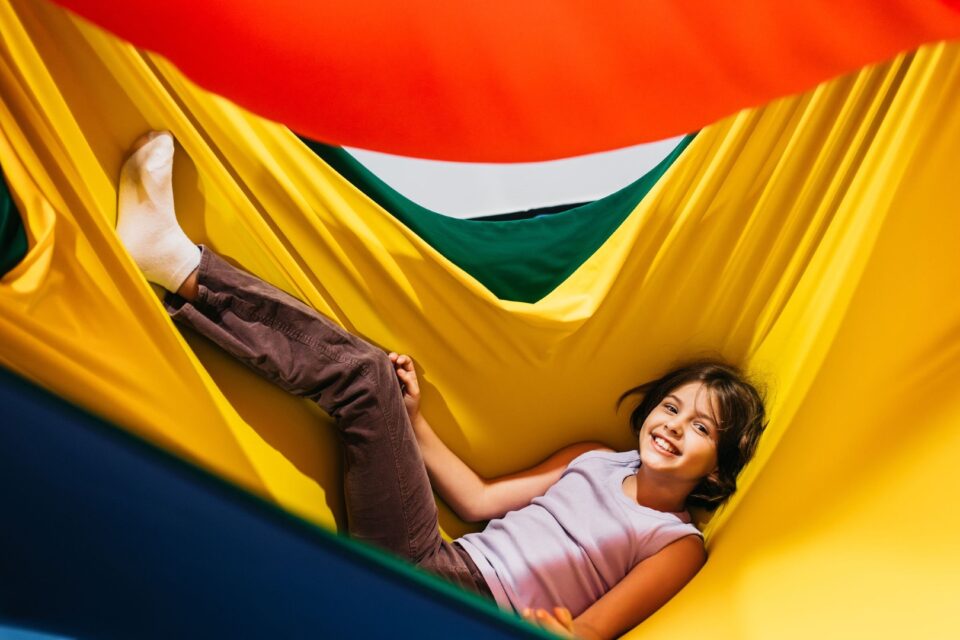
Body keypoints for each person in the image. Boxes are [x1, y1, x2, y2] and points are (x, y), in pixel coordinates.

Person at [116, 131, 767, 639]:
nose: (675, 425)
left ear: (715, 471)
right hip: (430, 560)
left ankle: (181, 268)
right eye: (674, 406)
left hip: (469, 618)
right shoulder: (595, 459)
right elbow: (480, 500)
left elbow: (594, 630)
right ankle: (179, 267)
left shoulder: (677, 546)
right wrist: (414, 420)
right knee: (369, 380)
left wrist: (560, 629)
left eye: (702, 427)